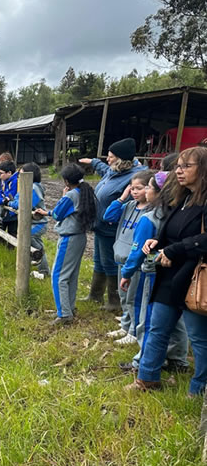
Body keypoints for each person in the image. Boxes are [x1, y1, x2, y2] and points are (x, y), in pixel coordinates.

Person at [126, 146, 207, 395]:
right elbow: (172, 231)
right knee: (157, 329)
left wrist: (175, 251)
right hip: (169, 276)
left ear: (203, 170)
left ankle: (199, 389)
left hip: (194, 278)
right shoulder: (182, 199)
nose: (178, 171)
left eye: (186, 166)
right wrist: (157, 244)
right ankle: (147, 379)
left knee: (199, 339)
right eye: (178, 166)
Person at [118, 171, 189, 373]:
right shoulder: (178, 214)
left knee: (147, 319)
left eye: (149, 187)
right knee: (176, 320)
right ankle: (177, 358)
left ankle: (142, 361)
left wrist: (127, 272)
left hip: (150, 274)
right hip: (174, 273)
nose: (146, 191)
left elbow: (138, 249)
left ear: (159, 193)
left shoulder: (149, 219)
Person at [79, 138, 146, 311]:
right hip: (100, 225)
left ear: (122, 159)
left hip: (111, 228)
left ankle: (114, 301)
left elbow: (131, 205)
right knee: (98, 261)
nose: (107, 160)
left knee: (109, 262)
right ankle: (95, 295)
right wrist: (93, 162)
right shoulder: (115, 171)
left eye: (111, 157)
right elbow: (103, 169)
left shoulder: (133, 178)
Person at [34, 164, 98, 326]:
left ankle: (63, 314)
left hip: (68, 239)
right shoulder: (83, 192)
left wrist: (63, 196)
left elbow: (58, 214)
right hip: (80, 238)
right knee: (71, 275)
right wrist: (46, 212)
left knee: (58, 276)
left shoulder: (70, 195)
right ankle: (69, 307)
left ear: (67, 181)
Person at [102, 170, 153, 345]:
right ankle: (125, 325)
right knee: (124, 297)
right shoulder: (129, 206)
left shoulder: (151, 211)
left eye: (139, 188)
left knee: (133, 298)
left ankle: (133, 331)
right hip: (120, 257)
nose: (135, 192)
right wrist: (122, 198)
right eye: (132, 188)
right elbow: (108, 216)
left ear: (149, 188)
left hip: (135, 263)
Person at [6, 162, 50, 277]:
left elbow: (25, 204)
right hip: (33, 221)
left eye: (22, 175)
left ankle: (42, 268)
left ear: (30, 175)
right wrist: (12, 203)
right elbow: (17, 200)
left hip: (39, 223)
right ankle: (41, 268)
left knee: (28, 238)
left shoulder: (35, 188)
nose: (20, 177)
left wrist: (12, 203)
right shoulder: (27, 186)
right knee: (32, 243)